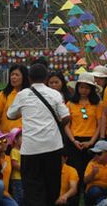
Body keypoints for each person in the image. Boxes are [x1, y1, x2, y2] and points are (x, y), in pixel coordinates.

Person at [7, 63, 70, 206]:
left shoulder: (22, 95)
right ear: (46, 77)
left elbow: (10, 115)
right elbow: (66, 117)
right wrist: (56, 126)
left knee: (32, 188)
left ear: (29, 78)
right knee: (52, 186)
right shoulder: (55, 94)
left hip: (30, 149)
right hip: (53, 147)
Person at [64, 72, 102, 193]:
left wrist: (91, 142)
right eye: (81, 87)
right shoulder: (70, 104)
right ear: (77, 87)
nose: (84, 90)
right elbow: (66, 125)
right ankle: (74, 193)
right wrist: (73, 140)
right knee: (75, 169)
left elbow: (99, 125)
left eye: (87, 87)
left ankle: (87, 194)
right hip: (74, 140)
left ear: (91, 89)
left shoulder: (97, 104)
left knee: (88, 168)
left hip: (91, 140)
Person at [83, 140, 107, 205]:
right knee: (96, 191)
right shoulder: (91, 163)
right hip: (94, 190)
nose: (96, 156)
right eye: (94, 153)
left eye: (99, 153)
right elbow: (85, 181)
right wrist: (93, 173)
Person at [0, 65, 30, 132]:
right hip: (6, 136)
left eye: (17, 75)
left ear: (24, 77)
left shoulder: (30, 94)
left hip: (24, 135)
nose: (13, 77)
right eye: (12, 74)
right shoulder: (4, 94)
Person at [7, 128, 24, 204]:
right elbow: (14, 164)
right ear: (15, 140)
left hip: (22, 178)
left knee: (23, 197)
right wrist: (24, 169)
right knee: (18, 196)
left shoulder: (22, 151)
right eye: (22, 138)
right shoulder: (14, 151)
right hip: (17, 179)